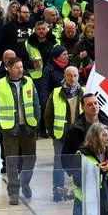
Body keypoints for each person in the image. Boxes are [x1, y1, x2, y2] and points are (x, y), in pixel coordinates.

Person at [0, 56, 39, 205]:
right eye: (17, 67)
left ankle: (24, 182)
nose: (20, 70)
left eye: (21, 67)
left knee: (30, 159)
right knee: (11, 161)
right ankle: (13, 191)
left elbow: (36, 104)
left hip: (28, 127)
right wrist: (0, 126)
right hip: (9, 128)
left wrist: (36, 123)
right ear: (8, 68)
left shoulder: (29, 82)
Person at [43, 64, 83, 200]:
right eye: (70, 75)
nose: (72, 78)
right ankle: (57, 189)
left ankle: (78, 190)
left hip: (79, 136)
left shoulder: (84, 92)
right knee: (59, 162)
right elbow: (48, 115)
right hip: (60, 136)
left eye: (75, 75)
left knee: (78, 162)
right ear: (64, 76)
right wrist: (52, 133)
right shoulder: (55, 93)